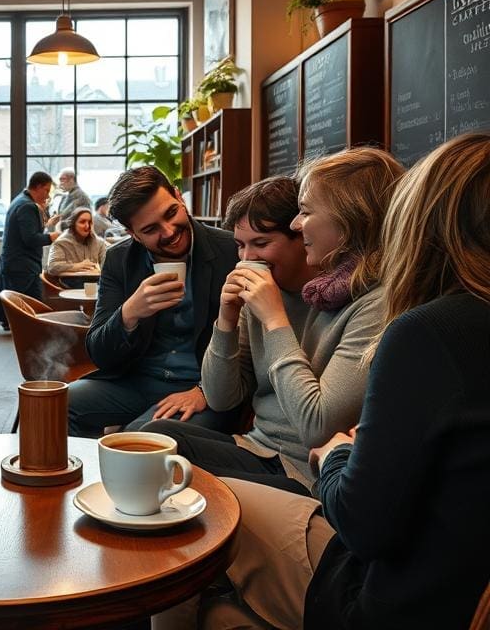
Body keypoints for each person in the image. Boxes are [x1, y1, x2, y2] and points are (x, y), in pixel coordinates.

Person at [209, 133, 490, 630]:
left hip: (397, 597)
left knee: (196, 508)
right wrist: (227, 322)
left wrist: (338, 453)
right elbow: (221, 394)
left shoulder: (418, 329)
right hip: (456, 582)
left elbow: (360, 518)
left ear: (421, 221)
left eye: (304, 212)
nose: (297, 226)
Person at [144, 164, 400, 495]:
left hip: (305, 471)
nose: (247, 258)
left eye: (261, 243)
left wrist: (275, 319)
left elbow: (318, 429)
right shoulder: (261, 296)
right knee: (157, 436)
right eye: (240, 245)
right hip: (256, 448)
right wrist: (225, 319)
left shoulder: (366, 303)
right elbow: (221, 398)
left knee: (167, 460)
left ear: (302, 240)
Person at [67, 165, 240, 438]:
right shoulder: (119, 260)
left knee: (142, 436)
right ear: (133, 233)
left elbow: (253, 343)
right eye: (150, 229)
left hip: (202, 387)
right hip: (135, 381)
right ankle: (84, 478)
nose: (169, 231)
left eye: (171, 213)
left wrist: (204, 390)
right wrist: (129, 313)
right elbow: (98, 351)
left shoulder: (231, 250)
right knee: (60, 403)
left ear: (178, 196)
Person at [0, 171, 61, 334]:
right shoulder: (27, 206)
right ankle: (34, 335)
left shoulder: (19, 201)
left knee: (17, 300)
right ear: (37, 187)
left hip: (16, 262)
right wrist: (52, 237)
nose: (47, 195)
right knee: (29, 303)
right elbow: (30, 239)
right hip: (23, 264)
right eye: (46, 190)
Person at [47, 206, 107, 287]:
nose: (87, 226)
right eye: (82, 222)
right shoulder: (61, 242)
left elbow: (106, 268)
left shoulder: (99, 242)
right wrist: (77, 266)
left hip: (96, 282)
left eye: (90, 222)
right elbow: (52, 267)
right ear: (73, 224)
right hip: (70, 285)